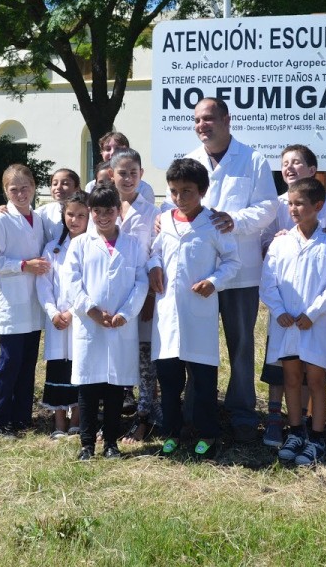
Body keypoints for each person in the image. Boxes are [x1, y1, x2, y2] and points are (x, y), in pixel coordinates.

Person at [185, 97, 278, 442]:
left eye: (208, 118)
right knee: (197, 345)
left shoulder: (253, 160)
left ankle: (241, 412)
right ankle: (196, 411)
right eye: (197, 120)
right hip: (200, 275)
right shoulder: (189, 161)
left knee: (240, 345)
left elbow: (269, 206)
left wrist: (235, 221)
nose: (202, 125)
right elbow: (179, 207)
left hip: (241, 274)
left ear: (226, 119)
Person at [147, 158, 241, 459]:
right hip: (167, 316)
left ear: (202, 191)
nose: (180, 198)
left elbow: (232, 262)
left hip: (198, 312)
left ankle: (207, 433)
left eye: (187, 191)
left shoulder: (213, 224)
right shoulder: (166, 221)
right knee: (169, 379)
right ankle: (171, 432)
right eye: (174, 191)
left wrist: (214, 281)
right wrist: (153, 268)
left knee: (202, 380)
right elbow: (154, 254)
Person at [259, 144, 326, 447]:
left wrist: (312, 313)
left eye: (300, 204)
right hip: (285, 322)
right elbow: (267, 282)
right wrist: (279, 309)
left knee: (316, 379)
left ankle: (317, 436)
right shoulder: (280, 243)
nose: (294, 209)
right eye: (291, 205)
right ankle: (295, 433)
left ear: (318, 205)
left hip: (314, 322)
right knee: (291, 378)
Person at [66, 185, 150, 460]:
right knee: (89, 386)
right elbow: (72, 282)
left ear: (118, 211)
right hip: (90, 325)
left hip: (120, 325)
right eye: (97, 211)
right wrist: (91, 311)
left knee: (116, 386)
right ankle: (87, 444)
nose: (103, 217)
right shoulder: (79, 244)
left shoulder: (133, 245)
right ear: (91, 212)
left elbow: (140, 282)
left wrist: (125, 313)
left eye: (109, 211)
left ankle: (111, 443)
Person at [0, 164, 50, 435]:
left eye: (25, 188)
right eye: (13, 189)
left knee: (28, 362)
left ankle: (21, 416)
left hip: (34, 301)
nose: (20, 193)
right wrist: (23, 265)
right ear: (5, 192)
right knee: (9, 362)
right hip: (12, 301)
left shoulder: (39, 217)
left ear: (33, 187)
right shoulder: (1, 219)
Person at [109, 148, 162, 443]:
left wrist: (151, 298)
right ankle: (118, 414)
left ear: (142, 174)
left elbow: (155, 255)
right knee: (118, 354)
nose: (128, 178)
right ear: (111, 175)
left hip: (142, 297)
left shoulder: (154, 212)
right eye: (122, 173)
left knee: (145, 356)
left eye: (133, 173)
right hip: (113, 298)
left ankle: (145, 415)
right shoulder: (103, 210)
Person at [37, 190, 89, 438]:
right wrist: (53, 312)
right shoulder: (52, 249)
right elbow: (44, 284)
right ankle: (59, 421)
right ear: (63, 215)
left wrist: (72, 312)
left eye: (81, 215)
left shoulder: (93, 247)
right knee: (58, 367)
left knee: (81, 365)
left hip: (81, 319)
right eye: (70, 214)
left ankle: (78, 418)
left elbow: (92, 286)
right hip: (57, 320)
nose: (75, 220)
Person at [85, 131, 156, 204]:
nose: (112, 152)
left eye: (118, 149)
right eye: (108, 149)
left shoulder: (144, 189)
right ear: (102, 153)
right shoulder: (92, 186)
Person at [37, 168, 81, 243]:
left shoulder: (86, 211)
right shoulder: (42, 212)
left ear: (77, 188)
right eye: (54, 184)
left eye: (65, 183)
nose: (58, 187)